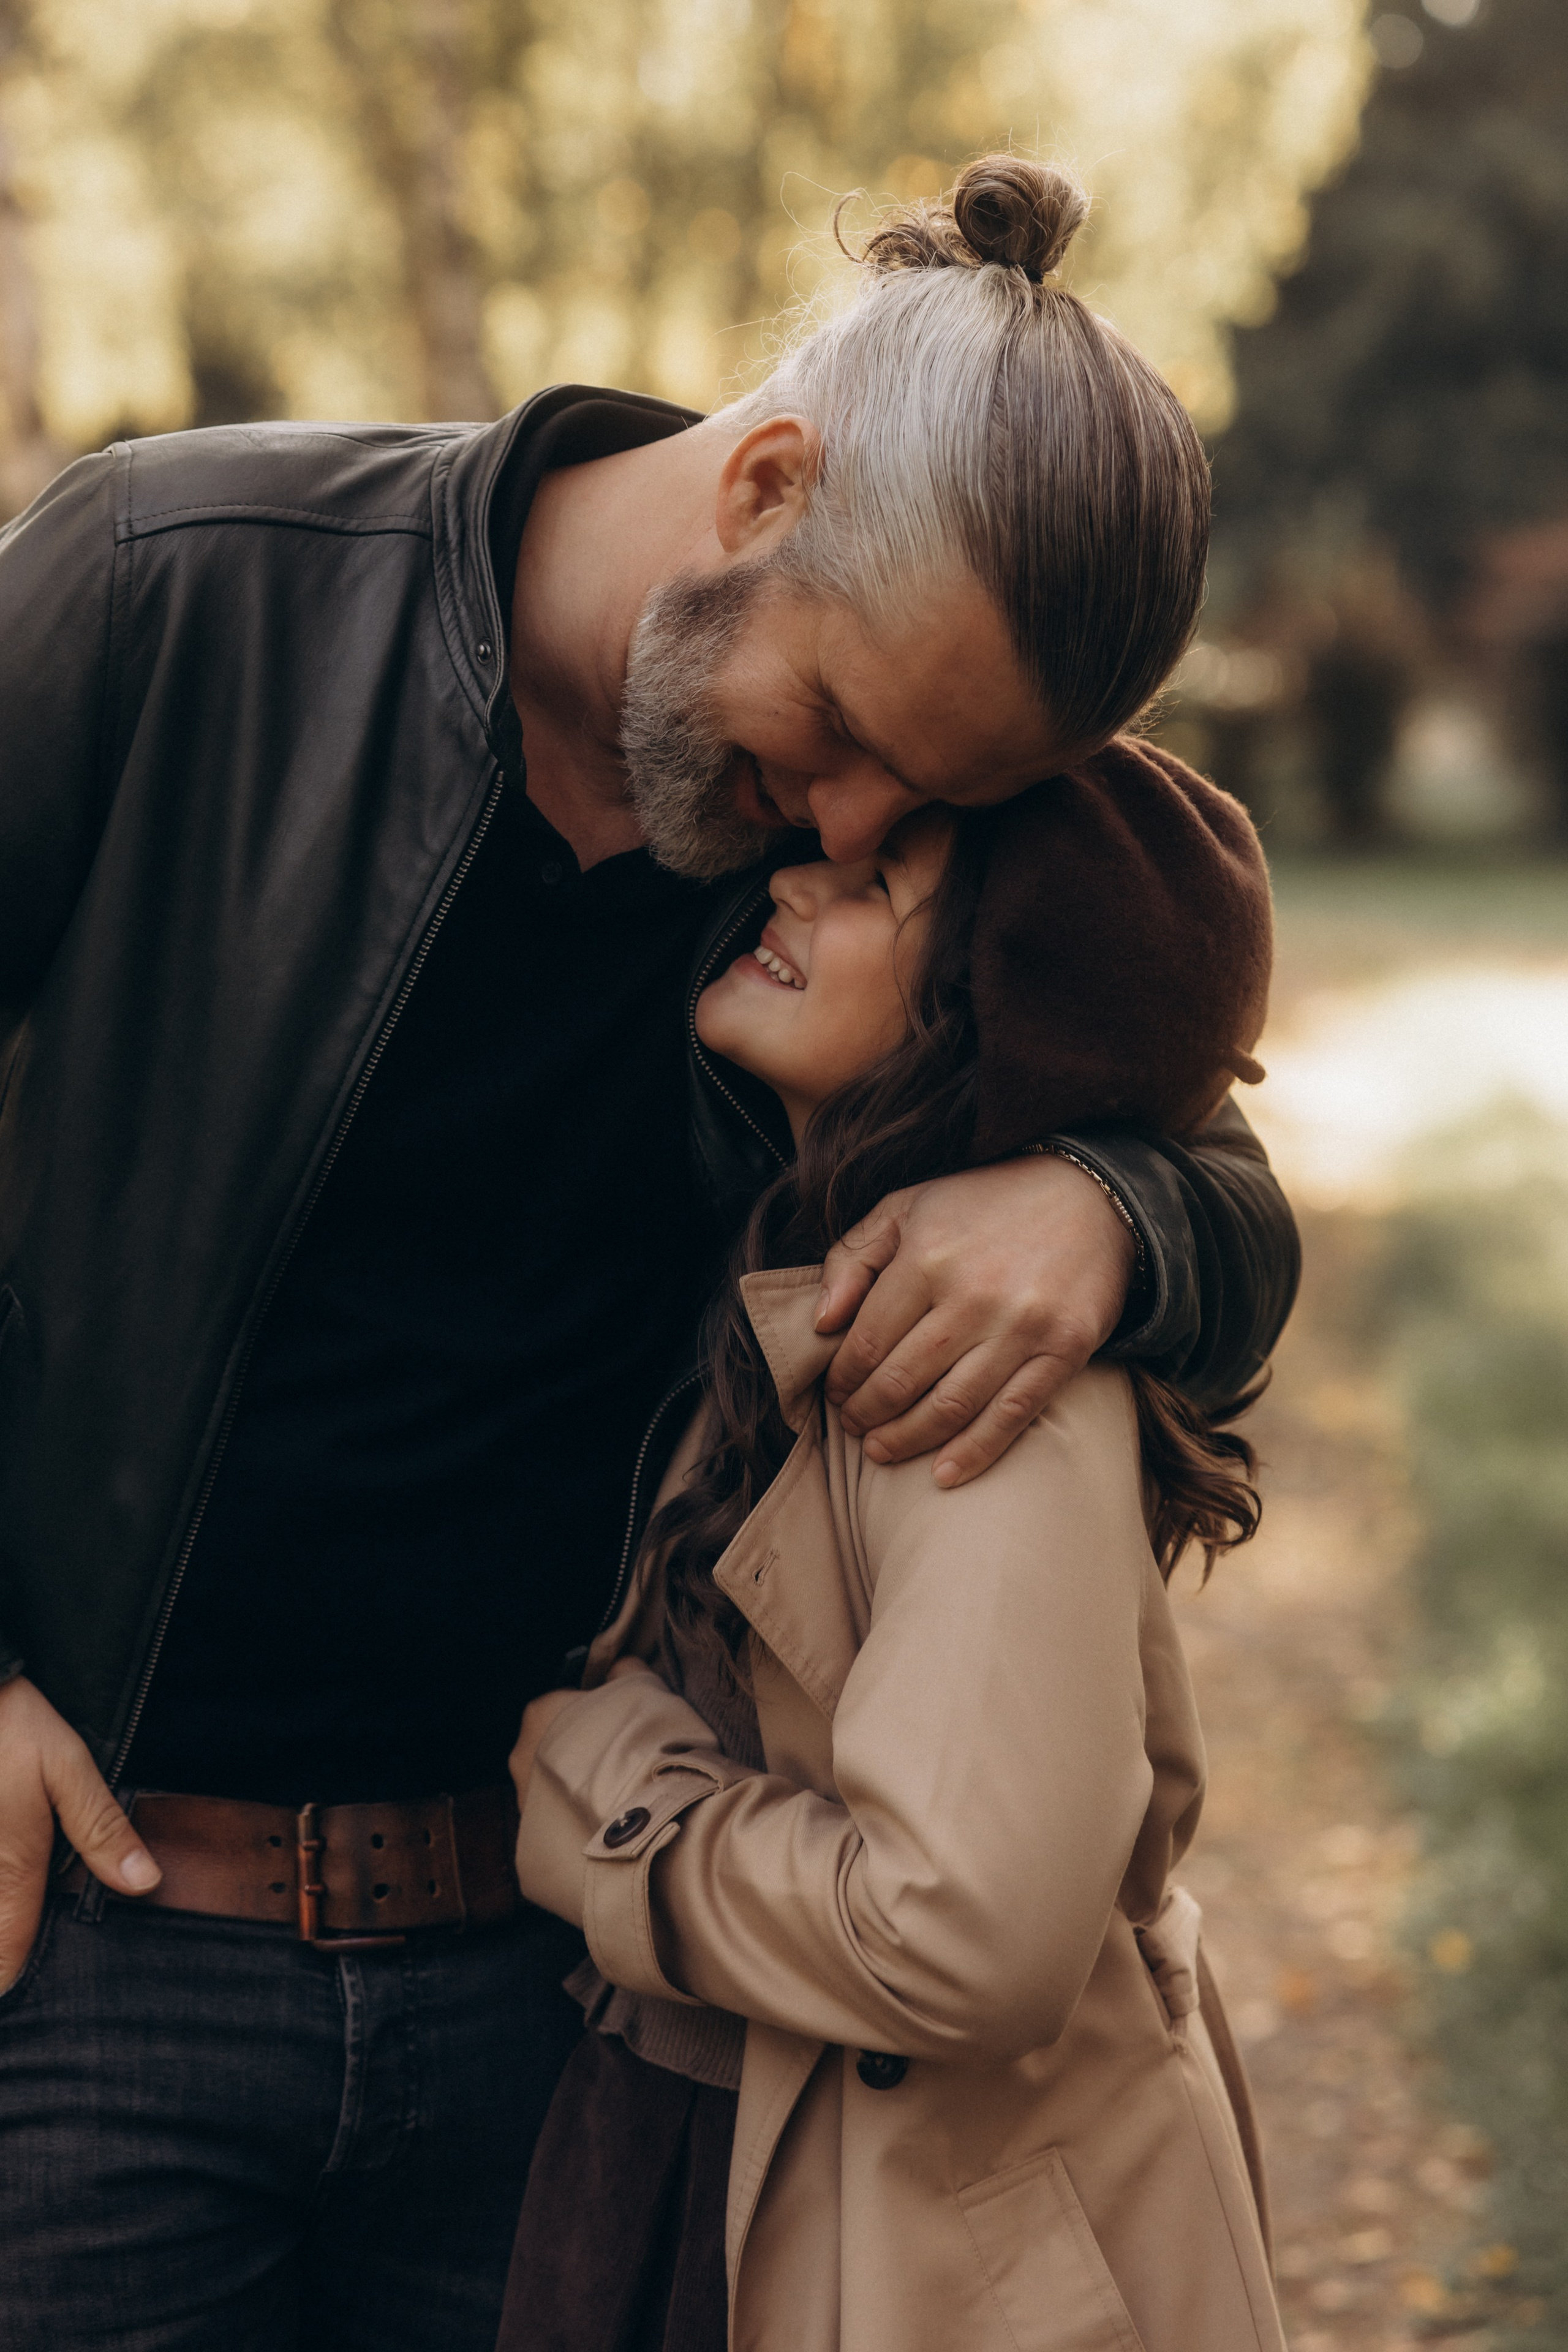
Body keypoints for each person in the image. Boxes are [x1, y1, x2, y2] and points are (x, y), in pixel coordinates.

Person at [0, 157, 1296, 2347]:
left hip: (567, 2008)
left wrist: (1120, 1207)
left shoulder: (841, 813)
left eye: (933, 809)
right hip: (94, 1969)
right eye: (860, 744)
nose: (870, 832)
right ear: (768, 483)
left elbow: (1197, 1091)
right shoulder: (173, 582)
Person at [506, 741, 1284, 2352]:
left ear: (994, 1017)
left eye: (878, 887)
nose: (792, 876)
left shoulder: (974, 1391)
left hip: (932, 2251)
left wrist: (612, 1807)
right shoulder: (802, 1277)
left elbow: (961, 1935)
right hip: (740, 2169)